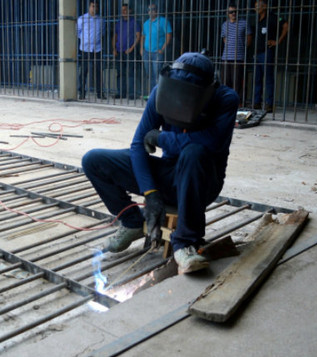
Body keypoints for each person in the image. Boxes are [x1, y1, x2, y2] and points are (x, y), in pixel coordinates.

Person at [82, 53, 239, 273]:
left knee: (194, 152)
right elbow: (138, 145)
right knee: (93, 160)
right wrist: (150, 193)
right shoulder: (161, 93)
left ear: (208, 90)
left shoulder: (225, 99)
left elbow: (212, 142)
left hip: (201, 182)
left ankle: (185, 243)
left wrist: (161, 138)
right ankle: (131, 222)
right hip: (168, 175)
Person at [252, 0, 289, 113]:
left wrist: (278, 41)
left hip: (266, 52)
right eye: (255, 5)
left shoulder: (273, 17)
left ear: (265, 6)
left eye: (259, 5)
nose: (257, 7)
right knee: (257, 79)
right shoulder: (256, 19)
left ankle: (269, 104)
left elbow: (286, 25)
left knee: (268, 78)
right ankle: (257, 102)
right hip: (256, 53)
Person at [221, 3, 252, 105]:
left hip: (238, 57)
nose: (233, 13)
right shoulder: (224, 25)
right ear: (227, 13)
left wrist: (241, 49)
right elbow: (224, 39)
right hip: (226, 57)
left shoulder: (244, 23)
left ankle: (238, 103)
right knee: (226, 82)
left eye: (235, 11)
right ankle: (227, 102)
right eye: (231, 12)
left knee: (237, 82)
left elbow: (249, 39)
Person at [141, 3, 172, 95]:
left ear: (157, 11)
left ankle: (158, 95)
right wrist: (141, 49)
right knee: (149, 75)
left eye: (153, 9)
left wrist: (162, 49)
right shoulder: (146, 23)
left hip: (157, 52)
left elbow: (168, 35)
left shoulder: (163, 21)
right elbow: (143, 36)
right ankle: (152, 94)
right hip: (147, 52)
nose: (151, 11)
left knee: (157, 75)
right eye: (149, 10)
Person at [77, 0, 104, 100]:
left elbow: (102, 32)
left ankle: (100, 93)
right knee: (83, 72)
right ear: (89, 7)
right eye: (93, 6)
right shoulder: (82, 19)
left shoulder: (101, 20)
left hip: (97, 48)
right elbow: (78, 32)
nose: (95, 9)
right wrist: (86, 40)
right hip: (85, 49)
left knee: (98, 72)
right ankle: (82, 93)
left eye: (96, 7)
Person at [113, 2, 141, 99]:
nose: (123, 12)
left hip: (130, 52)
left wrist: (132, 48)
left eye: (125, 10)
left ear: (130, 10)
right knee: (120, 73)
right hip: (119, 51)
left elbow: (138, 36)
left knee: (130, 73)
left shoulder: (134, 22)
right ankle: (121, 93)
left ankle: (131, 94)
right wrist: (114, 49)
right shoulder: (118, 23)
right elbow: (115, 36)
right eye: (122, 10)